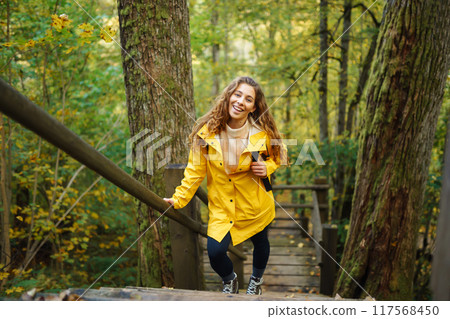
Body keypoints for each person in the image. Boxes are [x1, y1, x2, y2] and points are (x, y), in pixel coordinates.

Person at [163, 76, 286, 295]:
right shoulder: (206, 132)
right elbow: (194, 171)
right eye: (237, 94)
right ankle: (230, 279)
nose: (240, 101)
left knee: (260, 241)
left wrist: (268, 167)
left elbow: (279, 156)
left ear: (254, 107)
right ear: (229, 95)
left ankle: (256, 281)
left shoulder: (262, 134)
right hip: (222, 206)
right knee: (216, 252)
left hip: (254, 202)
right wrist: (179, 198)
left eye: (248, 99)